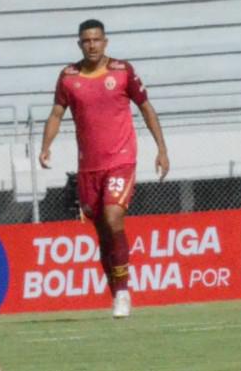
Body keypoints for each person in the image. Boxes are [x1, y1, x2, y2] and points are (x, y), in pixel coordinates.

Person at [38, 20, 169, 318]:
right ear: (79, 44)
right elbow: (57, 113)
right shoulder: (69, 77)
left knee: (113, 215)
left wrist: (162, 149)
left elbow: (146, 107)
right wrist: (46, 145)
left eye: (97, 39)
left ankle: (124, 291)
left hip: (121, 160)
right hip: (89, 167)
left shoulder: (123, 71)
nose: (92, 45)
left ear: (106, 42)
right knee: (103, 235)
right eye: (86, 41)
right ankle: (116, 294)